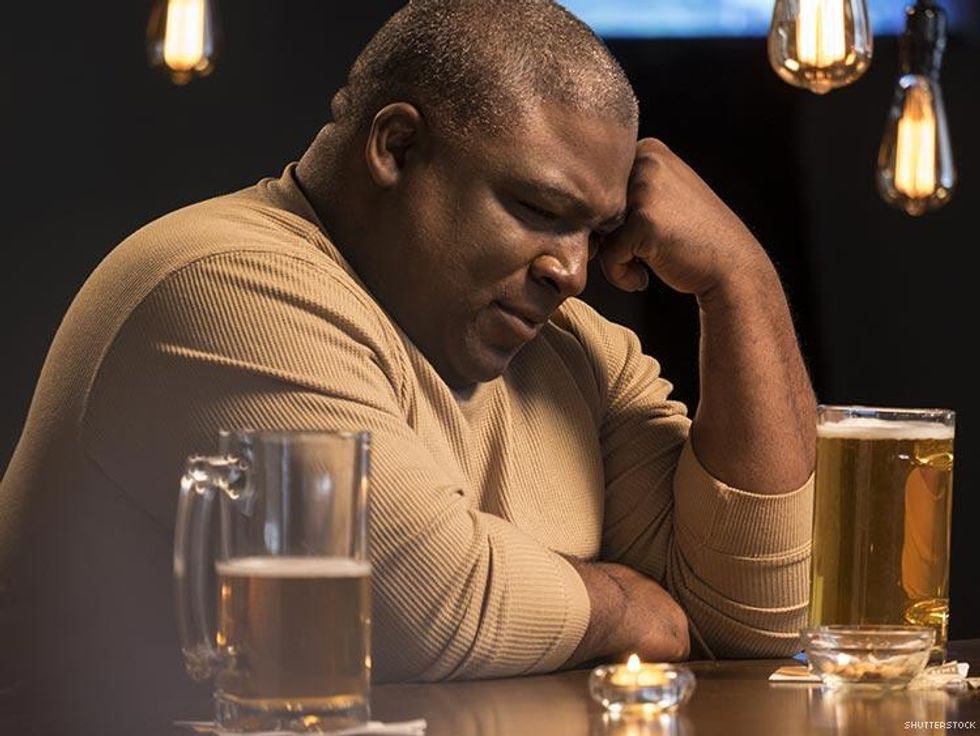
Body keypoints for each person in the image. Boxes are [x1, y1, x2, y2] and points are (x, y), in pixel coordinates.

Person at [0, 0, 815, 730]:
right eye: (538, 209)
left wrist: (742, 282)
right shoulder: (220, 284)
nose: (571, 270)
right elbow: (430, 605)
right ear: (396, 146)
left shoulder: (579, 352)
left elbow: (751, 622)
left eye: (596, 234)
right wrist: (629, 606)